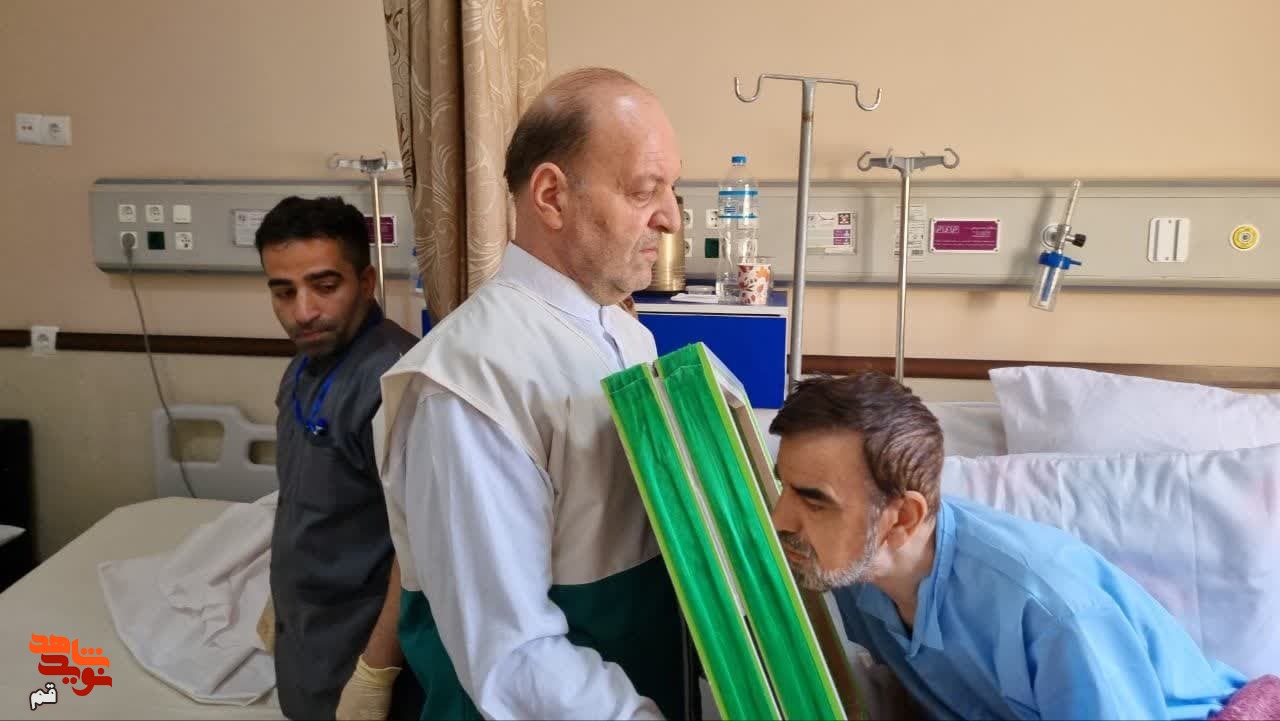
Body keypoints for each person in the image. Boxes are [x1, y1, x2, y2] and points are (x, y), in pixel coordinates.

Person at [373, 67, 691, 719]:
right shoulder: (468, 383)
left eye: (673, 190)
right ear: (551, 195)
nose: (671, 218)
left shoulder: (628, 338)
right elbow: (511, 655)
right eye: (644, 191)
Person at [768, 371, 1249, 721]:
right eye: (784, 487)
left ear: (904, 518)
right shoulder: (852, 570)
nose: (780, 520)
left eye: (814, 501)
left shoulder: (1052, 615)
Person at [256, 196, 423, 720]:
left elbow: (418, 546)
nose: (303, 311)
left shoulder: (394, 383)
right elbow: (304, 498)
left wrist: (377, 671)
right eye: (284, 292)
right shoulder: (305, 366)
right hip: (309, 630)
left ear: (366, 282)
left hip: (363, 643)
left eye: (325, 286)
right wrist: (280, 591)